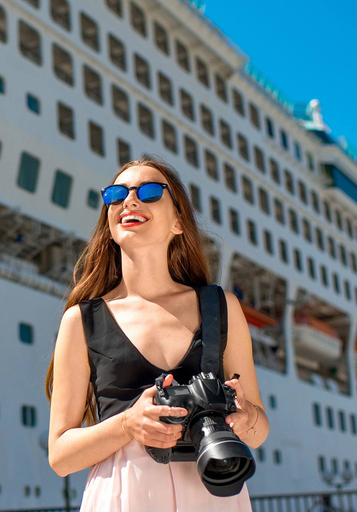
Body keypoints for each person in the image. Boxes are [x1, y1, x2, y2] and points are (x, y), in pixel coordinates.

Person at [45, 156, 269, 511]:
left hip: (214, 488)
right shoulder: (82, 320)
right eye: (116, 194)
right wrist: (129, 424)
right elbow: (59, 456)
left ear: (179, 222)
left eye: (149, 192)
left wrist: (245, 418)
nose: (129, 201)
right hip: (122, 496)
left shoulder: (221, 306)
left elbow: (258, 432)